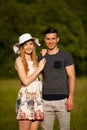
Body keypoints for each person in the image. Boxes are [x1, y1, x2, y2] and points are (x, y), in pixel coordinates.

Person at [38, 27, 76, 130]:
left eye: (53, 38)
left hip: (63, 102)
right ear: (45, 40)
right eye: (48, 39)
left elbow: (72, 76)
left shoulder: (65, 56)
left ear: (57, 39)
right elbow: (39, 76)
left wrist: (71, 97)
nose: (50, 41)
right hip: (45, 101)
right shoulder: (41, 57)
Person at [13, 33, 46, 130]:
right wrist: (38, 69)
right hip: (26, 98)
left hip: (38, 98)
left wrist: (45, 55)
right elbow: (26, 81)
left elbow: (40, 79)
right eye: (25, 44)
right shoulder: (19, 60)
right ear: (22, 47)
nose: (28, 47)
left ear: (34, 45)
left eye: (30, 44)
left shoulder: (36, 60)